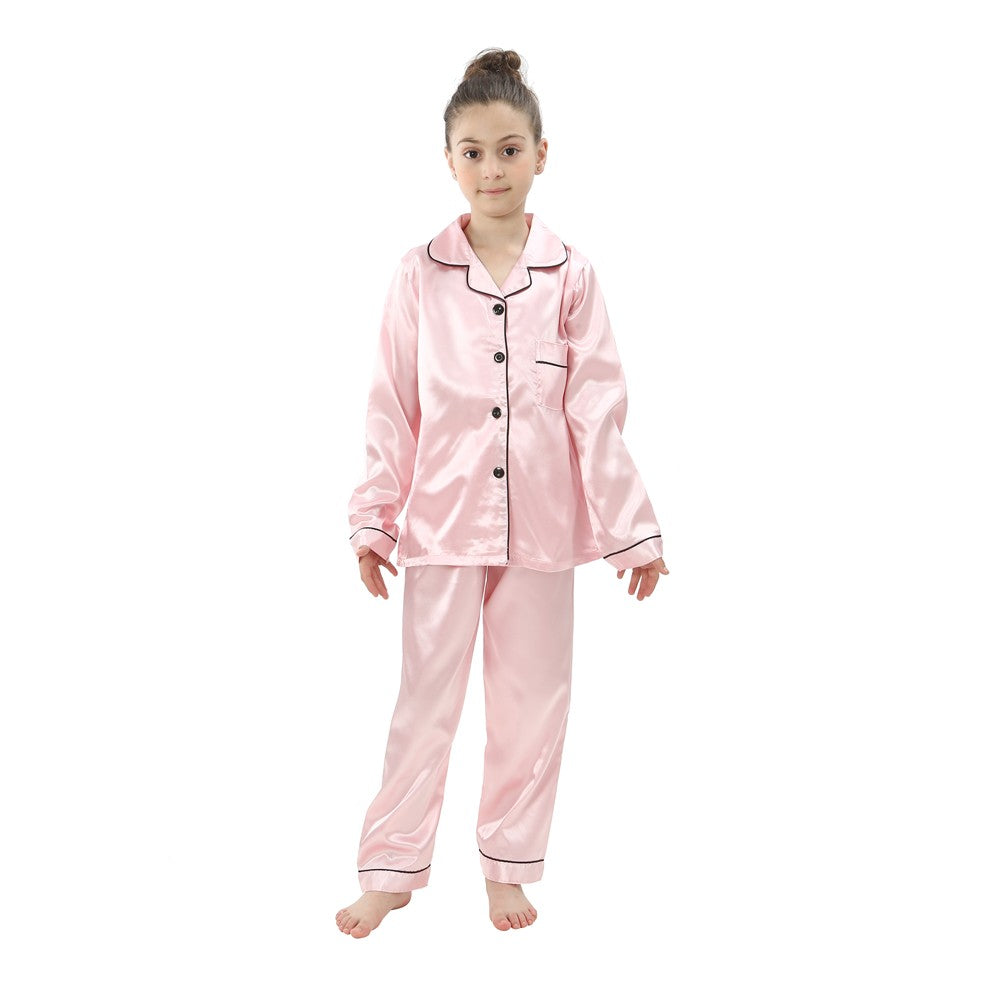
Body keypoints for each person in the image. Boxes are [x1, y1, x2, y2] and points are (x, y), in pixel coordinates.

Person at [336, 47, 670, 938]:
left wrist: (632, 531)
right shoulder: (418, 274)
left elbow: (596, 408)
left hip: (543, 531)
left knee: (532, 706)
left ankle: (508, 870)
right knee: (425, 704)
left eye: (510, 149)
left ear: (541, 154)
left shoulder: (572, 274)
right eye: (474, 152)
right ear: (449, 160)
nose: (493, 168)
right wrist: (374, 520)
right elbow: (392, 405)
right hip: (442, 525)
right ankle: (392, 867)